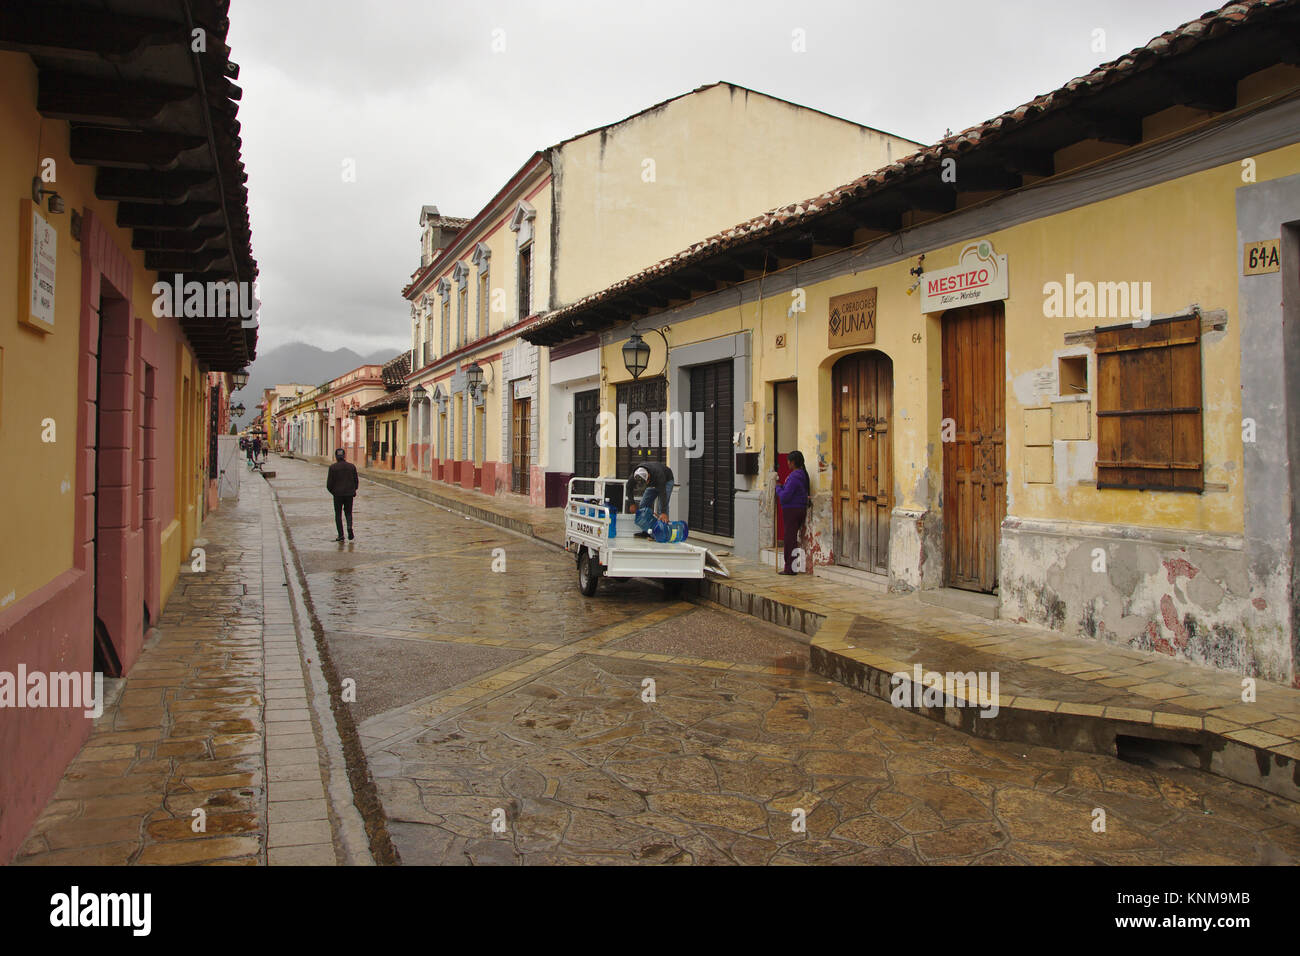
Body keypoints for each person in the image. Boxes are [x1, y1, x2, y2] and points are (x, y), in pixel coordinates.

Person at [775, 450, 811, 574]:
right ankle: (792, 567)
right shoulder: (802, 475)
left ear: (793, 462)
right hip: (799, 509)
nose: (788, 464)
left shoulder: (795, 476)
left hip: (792, 510)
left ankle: (790, 568)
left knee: (789, 539)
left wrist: (778, 488)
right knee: (792, 539)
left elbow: (785, 496)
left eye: (789, 462)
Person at [631, 461, 673, 539]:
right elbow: (628, 488)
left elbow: (663, 494)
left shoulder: (659, 475)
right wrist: (632, 503)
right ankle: (647, 531)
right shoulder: (635, 475)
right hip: (652, 482)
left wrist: (663, 512)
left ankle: (663, 534)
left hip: (666, 481)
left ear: (648, 476)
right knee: (643, 505)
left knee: (662, 506)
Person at [326, 448, 358, 541]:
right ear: (344, 456)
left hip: (338, 495)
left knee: (338, 514)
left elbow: (329, 485)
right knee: (348, 513)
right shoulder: (352, 467)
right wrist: (352, 490)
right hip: (349, 494)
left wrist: (334, 492)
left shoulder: (333, 468)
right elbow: (356, 482)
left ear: (336, 457)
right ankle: (349, 528)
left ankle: (340, 535)